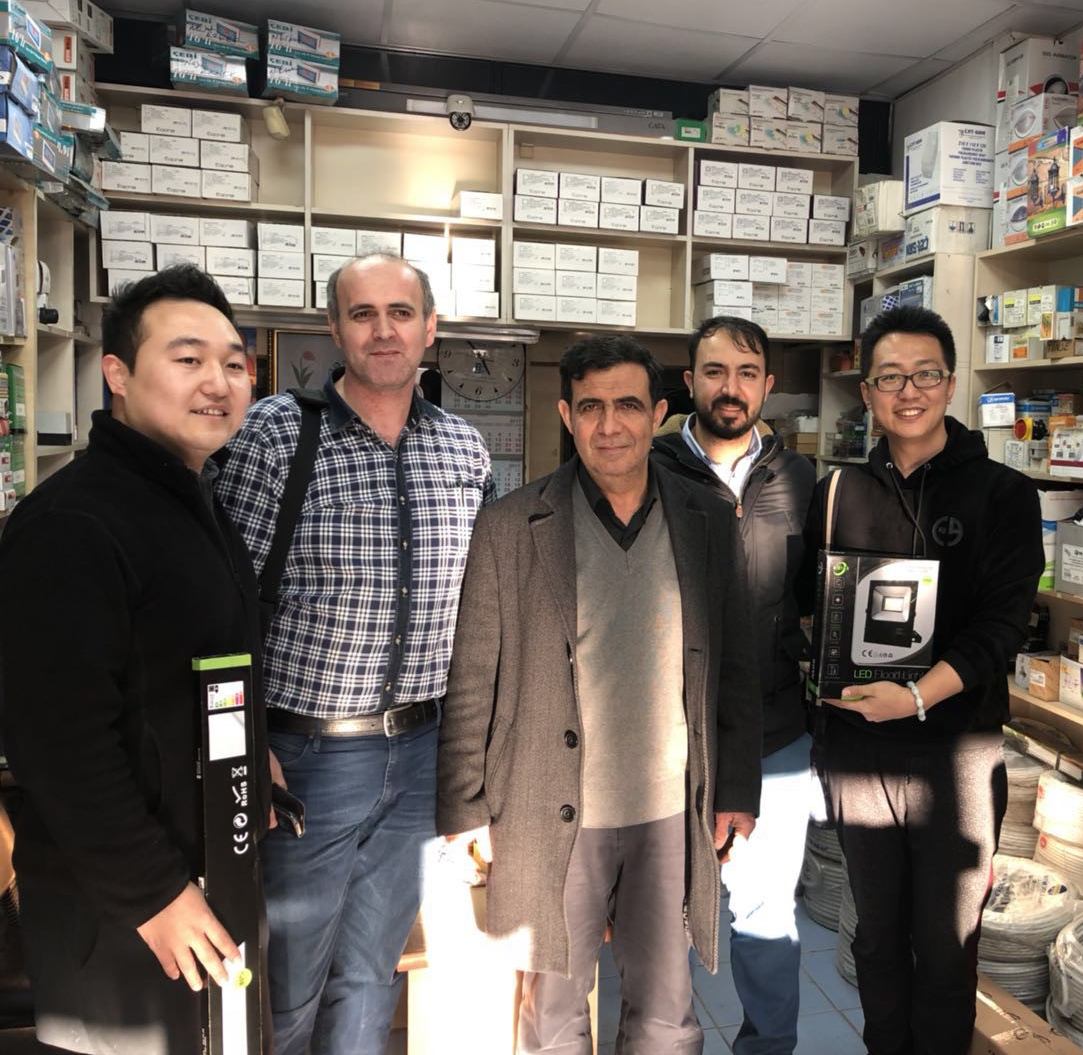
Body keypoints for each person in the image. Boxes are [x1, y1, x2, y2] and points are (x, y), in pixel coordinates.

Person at [438, 334, 762, 1055]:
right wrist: (464, 809)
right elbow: (473, 677)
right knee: (552, 1013)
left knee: (666, 1013)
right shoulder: (510, 526)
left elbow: (737, 666)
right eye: (590, 408)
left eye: (627, 406)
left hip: (669, 812)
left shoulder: (707, 520)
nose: (609, 425)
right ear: (567, 415)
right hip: (548, 810)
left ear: (658, 415)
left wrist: (738, 788)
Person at [215, 252, 493, 1054]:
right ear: (334, 330)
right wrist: (249, 742)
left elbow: (483, 613)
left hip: (422, 752)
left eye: (400, 313)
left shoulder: (464, 450)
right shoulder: (274, 435)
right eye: (362, 314)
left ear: (430, 329)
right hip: (306, 761)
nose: (383, 331)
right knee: (286, 986)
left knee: (374, 974)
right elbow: (220, 602)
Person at [0, 266, 265, 1054]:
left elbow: (198, 666)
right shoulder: (72, 522)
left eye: (233, 362)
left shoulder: (191, 497)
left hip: (203, 869)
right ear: (117, 374)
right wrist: (154, 895)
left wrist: (255, 757)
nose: (218, 381)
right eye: (188, 359)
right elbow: (59, 743)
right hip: (124, 911)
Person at [799, 305, 1043, 1054]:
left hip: (956, 754)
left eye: (925, 375)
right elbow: (812, 605)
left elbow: (1002, 627)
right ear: (866, 392)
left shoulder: (1003, 494)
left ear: (951, 382)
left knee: (946, 946)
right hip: (858, 749)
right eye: (890, 378)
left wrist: (913, 696)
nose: (909, 392)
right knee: (876, 938)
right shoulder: (837, 493)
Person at [652, 316, 815, 1055]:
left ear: (768, 386)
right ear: (690, 381)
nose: (731, 387)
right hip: (666, 733)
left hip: (775, 731)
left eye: (747, 373)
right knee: (661, 914)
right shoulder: (648, 470)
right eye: (715, 371)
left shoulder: (800, 480)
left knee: (766, 917)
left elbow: (820, 596)